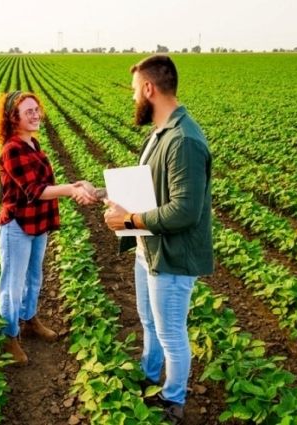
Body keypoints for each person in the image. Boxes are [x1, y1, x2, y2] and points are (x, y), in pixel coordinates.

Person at [103, 55, 213, 424]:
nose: (133, 97)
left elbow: (185, 211)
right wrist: (118, 204)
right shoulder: (161, 132)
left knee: (171, 333)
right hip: (149, 248)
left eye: (135, 90)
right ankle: (150, 377)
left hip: (172, 255)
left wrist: (130, 219)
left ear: (149, 89)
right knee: (149, 322)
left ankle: (172, 400)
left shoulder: (183, 140)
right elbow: (153, 190)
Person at [0, 90, 97, 365]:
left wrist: (78, 185)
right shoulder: (12, 149)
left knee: (34, 277)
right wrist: (72, 189)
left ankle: (29, 319)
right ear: (14, 118)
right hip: (16, 225)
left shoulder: (34, 144)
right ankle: (9, 337)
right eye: (29, 111)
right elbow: (35, 190)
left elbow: (46, 187)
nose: (36, 115)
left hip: (37, 223)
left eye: (37, 109)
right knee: (12, 284)